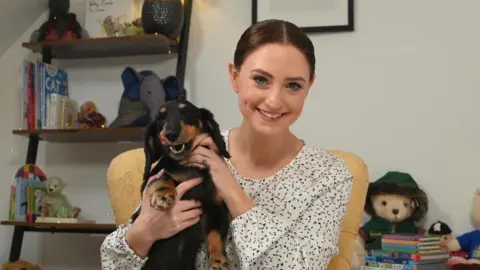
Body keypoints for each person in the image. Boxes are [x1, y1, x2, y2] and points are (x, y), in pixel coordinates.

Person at [100, 19, 353, 270]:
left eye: (293, 85)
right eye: (261, 80)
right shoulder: (194, 149)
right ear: (235, 77)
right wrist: (144, 232)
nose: (274, 101)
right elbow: (112, 263)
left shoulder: (329, 176)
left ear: (309, 87)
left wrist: (231, 189)